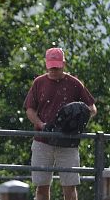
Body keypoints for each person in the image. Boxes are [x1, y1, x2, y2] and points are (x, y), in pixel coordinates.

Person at [24, 48, 97, 200]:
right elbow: (30, 110)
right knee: (41, 188)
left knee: (69, 188)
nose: (53, 70)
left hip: (68, 142)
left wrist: (76, 123)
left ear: (64, 64)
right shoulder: (39, 82)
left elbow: (92, 109)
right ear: (46, 64)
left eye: (56, 66)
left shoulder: (74, 83)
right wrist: (42, 125)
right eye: (51, 66)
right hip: (42, 140)